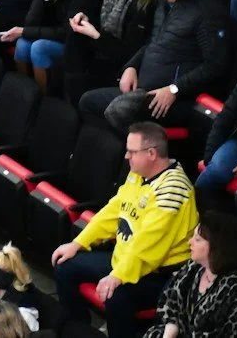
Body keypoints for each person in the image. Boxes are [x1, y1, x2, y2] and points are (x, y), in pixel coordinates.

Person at [51, 121, 197, 338]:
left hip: (159, 273)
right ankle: (80, 330)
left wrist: (117, 276)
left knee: (115, 295)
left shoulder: (173, 189)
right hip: (125, 257)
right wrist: (78, 243)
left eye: (131, 151)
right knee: (65, 266)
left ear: (151, 154)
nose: (126, 156)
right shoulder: (137, 174)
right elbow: (114, 211)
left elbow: (149, 245)